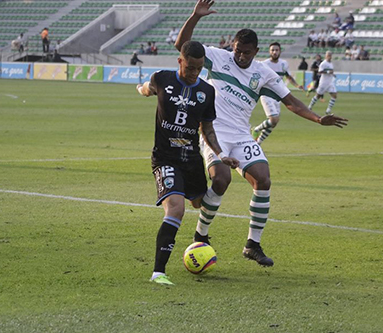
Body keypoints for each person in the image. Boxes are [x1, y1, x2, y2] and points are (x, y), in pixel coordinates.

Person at [175, 0, 348, 268]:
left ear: (256, 51)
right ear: (232, 47)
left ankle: (252, 244)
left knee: (263, 179)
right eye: (237, 51)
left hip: (242, 135)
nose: (240, 57)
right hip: (215, 132)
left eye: (246, 53)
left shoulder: (264, 73)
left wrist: (317, 118)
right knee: (220, 181)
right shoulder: (218, 57)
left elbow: (291, 101)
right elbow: (183, 48)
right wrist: (195, 16)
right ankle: (201, 235)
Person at [136, 40, 239, 285]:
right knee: (176, 209)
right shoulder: (162, 78)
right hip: (165, 158)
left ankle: (200, 237)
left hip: (191, 159)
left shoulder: (207, 91)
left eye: (199, 68)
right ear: (180, 61)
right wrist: (141, 88)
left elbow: (208, 128)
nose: (194, 73)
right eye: (190, 67)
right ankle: (158, 273)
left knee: (198, 203)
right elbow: (148, 89)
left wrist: (220, 154)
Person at [252, 42, 304, 144]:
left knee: (274, 123)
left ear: (280, 51)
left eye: (276, 50)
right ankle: (256, 129)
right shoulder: (265, 64)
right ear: (269, 52)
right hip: (266, 95)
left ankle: (258, 143)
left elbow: (289, 77)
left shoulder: (284, 64)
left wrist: (297, 85)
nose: (275, 52)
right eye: (272, 50)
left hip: (278, 96)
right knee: (274, 119)